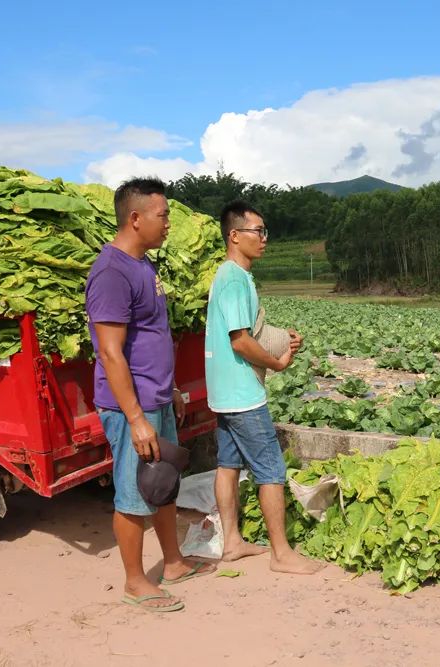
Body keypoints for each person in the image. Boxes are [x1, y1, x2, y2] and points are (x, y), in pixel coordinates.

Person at [86, 177, 216, 613]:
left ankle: (174, 563)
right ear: (135, 217)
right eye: (163, 216)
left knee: (162, 484)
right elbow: (110, 351)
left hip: (156, 398)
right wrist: (137, 417)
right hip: (131, 408)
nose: (168, 225)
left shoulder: (144, 266)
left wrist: (171, 388)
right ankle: (134, 581)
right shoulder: (111, 272)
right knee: (133, 493)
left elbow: (151, 338)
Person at [206, 201, 324, 575]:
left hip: (223, 391)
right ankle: (282, 554)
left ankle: (232, 543)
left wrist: (278, 340)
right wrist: (277, 362)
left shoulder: (226, 276)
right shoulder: (235, 278)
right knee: (270, 469)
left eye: (265, 232)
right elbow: (240, 340)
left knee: (227, 464)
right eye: (257, 231)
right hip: (243, 393)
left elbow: (247, 334)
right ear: (234, 235)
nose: (264, 239)